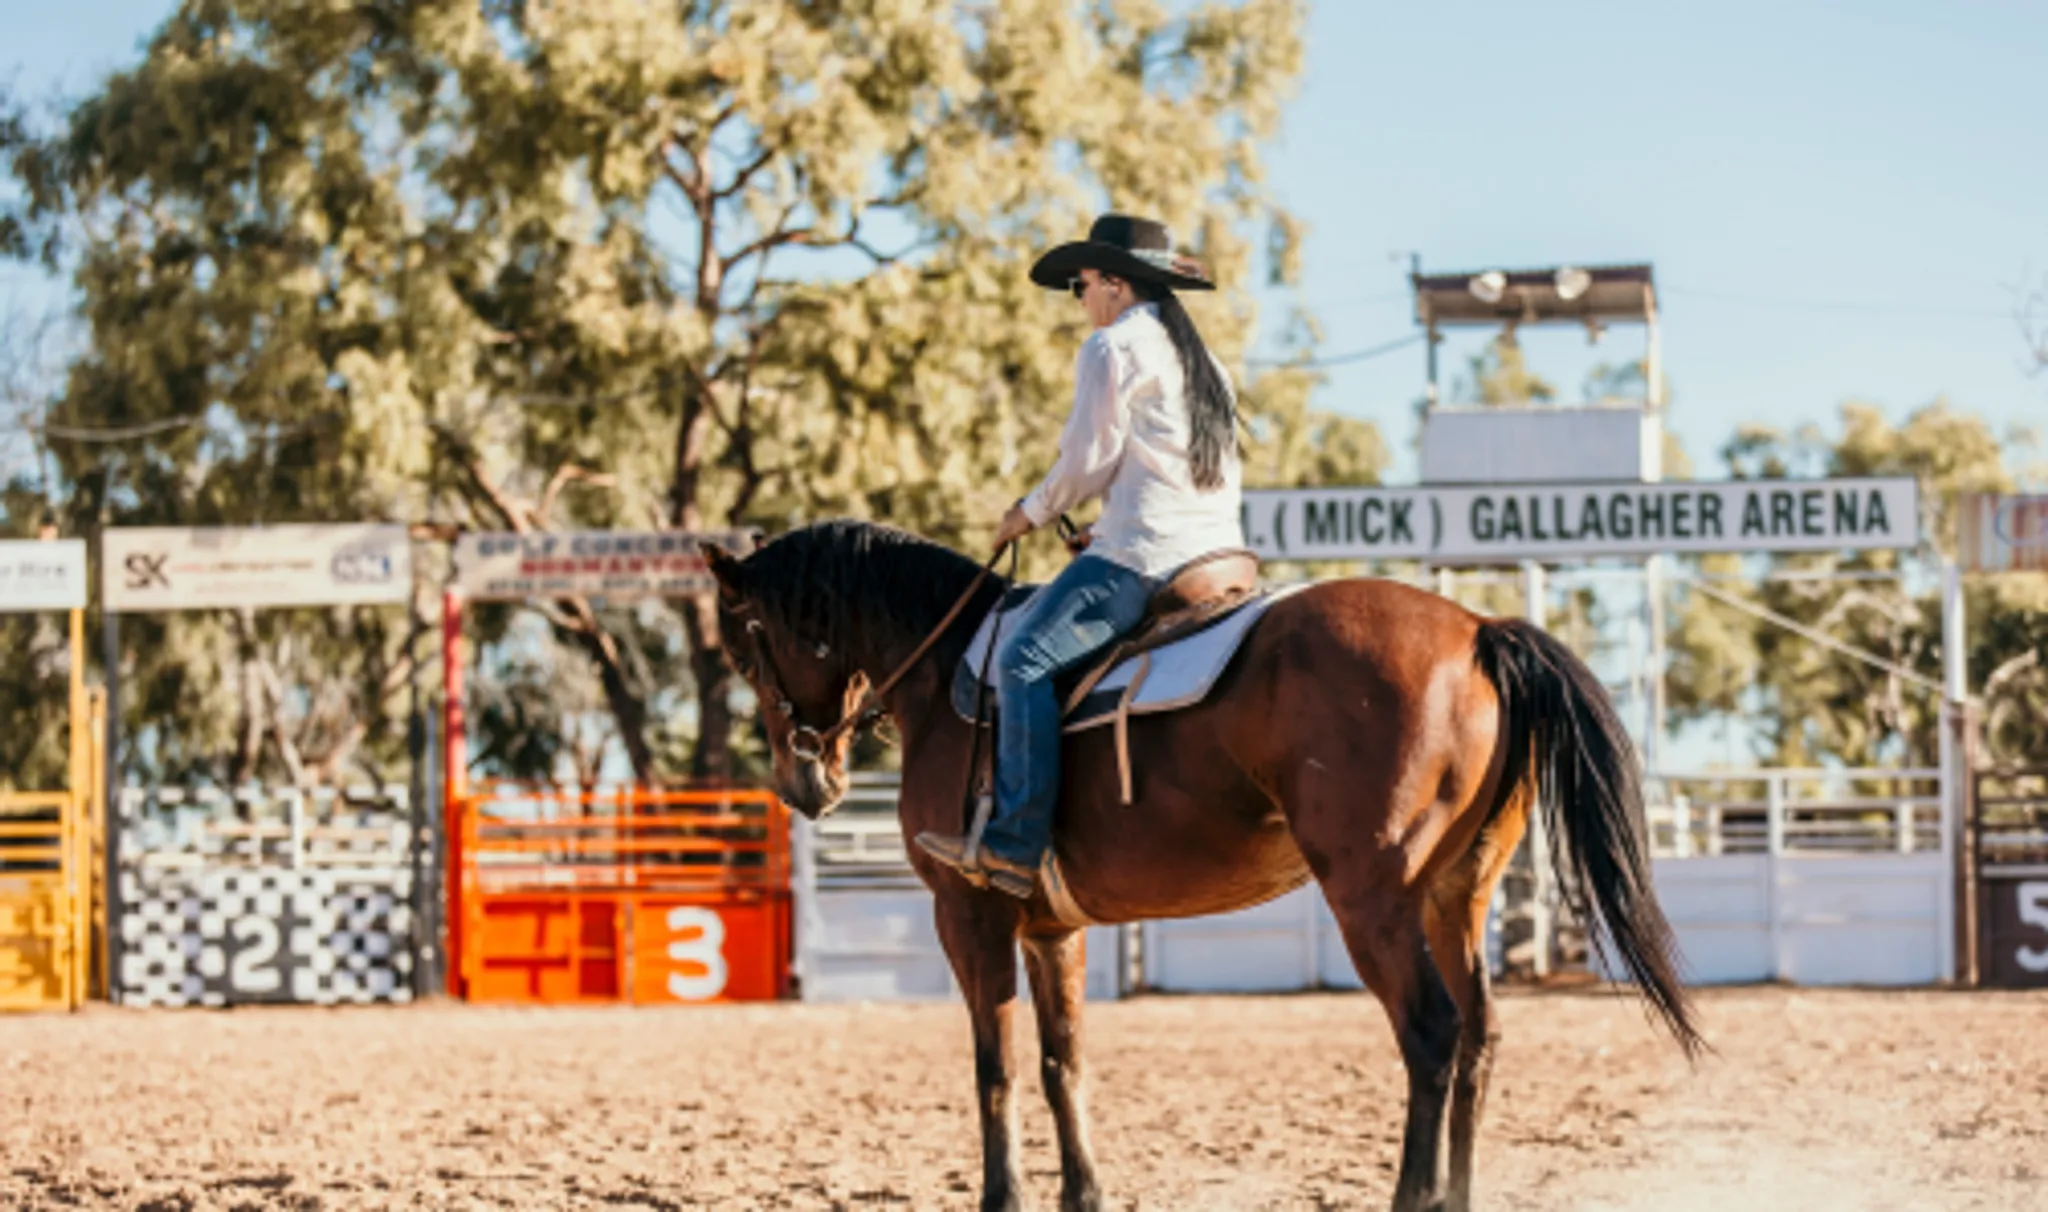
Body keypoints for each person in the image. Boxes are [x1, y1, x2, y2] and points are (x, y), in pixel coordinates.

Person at [915, 213, 1245, 899]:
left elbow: (1086, 460)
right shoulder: (1202, 358)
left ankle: (1013, 844)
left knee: (1022, 659)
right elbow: (1167, 467)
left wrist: (1026, 514)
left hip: (1147, 555)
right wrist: (1104, 525)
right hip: (1218, 550)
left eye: (1082, 285)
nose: (1081, 300)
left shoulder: (1112, 347)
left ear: (1116, 284)